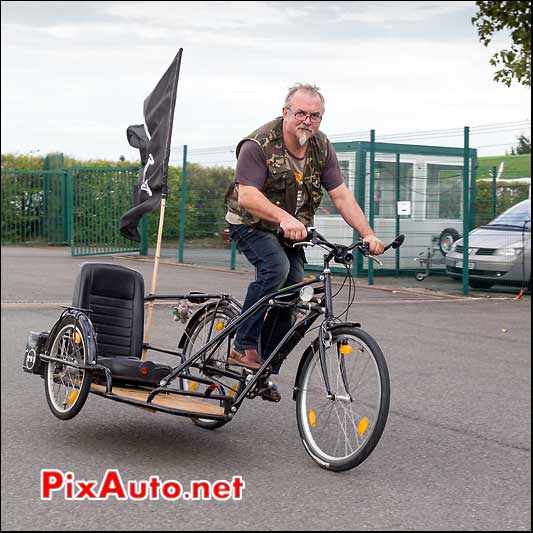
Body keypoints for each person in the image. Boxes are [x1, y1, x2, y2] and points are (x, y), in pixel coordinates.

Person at [224, 82, 384, 381]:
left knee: (295, 287)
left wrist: (367, 233)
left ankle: (263, 367)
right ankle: (242, 346)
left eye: (315, 116)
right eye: (300, 113)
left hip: (292, 231)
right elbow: (247, 196)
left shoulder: (321, 147)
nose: (307, 121)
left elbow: (341, 196)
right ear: (285, 112)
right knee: (276, 268)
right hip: (250, 224)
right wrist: (284, 218)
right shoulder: (258, 144)